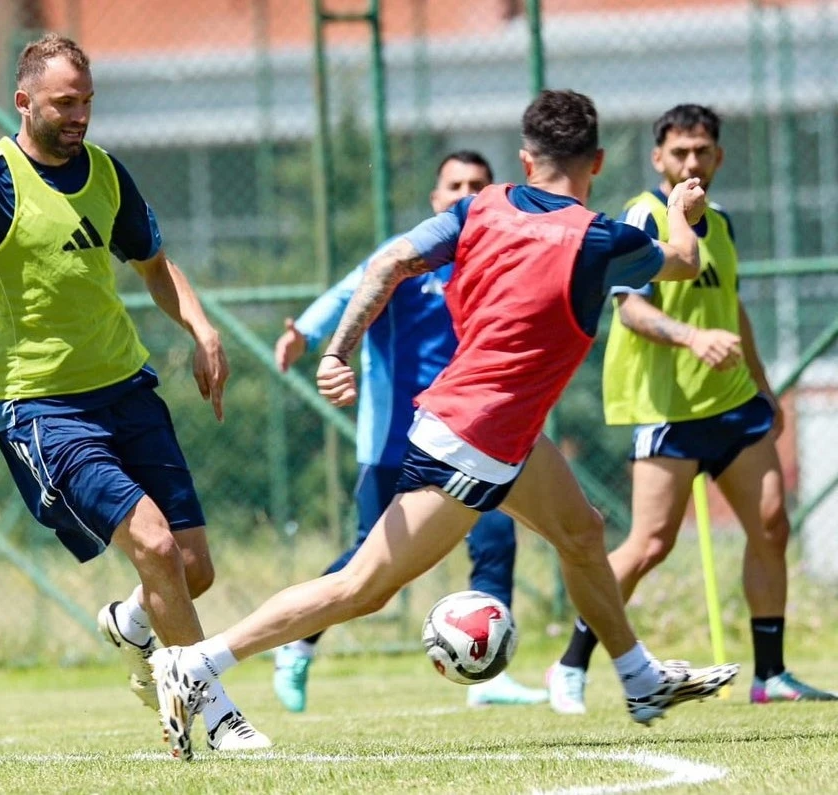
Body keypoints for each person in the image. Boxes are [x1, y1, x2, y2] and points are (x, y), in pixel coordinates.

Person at [149, 89, 740, 762]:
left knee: (581, 532)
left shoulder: (479, 208)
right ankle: (197, 663)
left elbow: (388, 263)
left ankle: (639, 679)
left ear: (525, 160)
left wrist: (338, 350)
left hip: (498, 432)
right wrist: (682, 211)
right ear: (598, 162)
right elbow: (684, 259)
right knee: (361, 587)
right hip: (473, 441)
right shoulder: (602, 240)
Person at [0, 33, 271, 751]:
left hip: (127, 390)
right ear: (23, 101)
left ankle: (131, 623)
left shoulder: (106, 172)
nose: (80, 116)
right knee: (153, 543)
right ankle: (216, 713)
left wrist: (201, 327)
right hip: (42, 410)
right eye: (65, 102)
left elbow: (154, 264)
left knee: (190, 568)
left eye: (88, 101)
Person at [547, 103, 837, 712]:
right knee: (651, 544)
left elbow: (732, 305)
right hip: (666, 409)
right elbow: (631, 309)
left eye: (702, 150)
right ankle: (571, 662)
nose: (691, 162)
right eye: (679, 152)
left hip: (731, 403)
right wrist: (691, 338)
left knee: (772, 524)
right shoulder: (643, 216)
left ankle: (771, 675)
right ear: (658, 158)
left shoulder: (722, 223)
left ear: (719, 157)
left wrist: (763, 385)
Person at [272, 151, 546, 711]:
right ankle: (296, 645)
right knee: (369, 565)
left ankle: (487, 677)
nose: (464, 193)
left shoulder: (496, 261)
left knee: (495, 538)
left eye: (476, 185)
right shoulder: (406, 254)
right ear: (436, 198)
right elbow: (348, 293)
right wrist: (307, 334)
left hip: (471, 434)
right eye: (454, 185)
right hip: (395, 441)